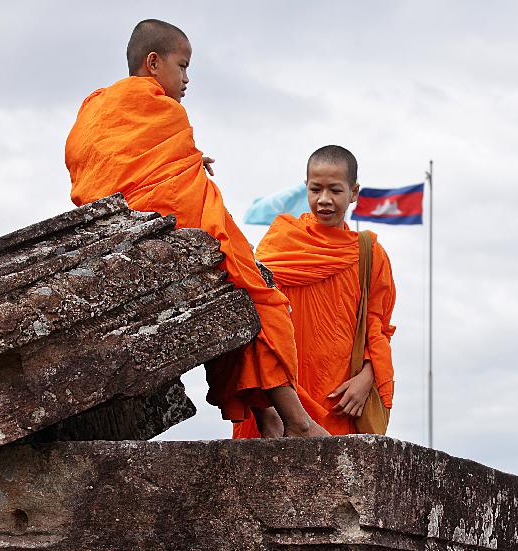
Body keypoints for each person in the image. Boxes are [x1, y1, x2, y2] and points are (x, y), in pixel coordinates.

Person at [64, 19, 328, 438]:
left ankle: (270, 417)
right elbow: (156, 182)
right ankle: (295, 420)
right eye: (182, 66)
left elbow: (106, 166)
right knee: (255, 286)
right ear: (153, 62)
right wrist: (189, 170)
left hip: (112, 228)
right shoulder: (163, 110)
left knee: (239, 284)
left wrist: (189, 166)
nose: (187, 79)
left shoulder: (95, 105)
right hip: (155, 226)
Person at [234, 145, 396, 437]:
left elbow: (378, 327)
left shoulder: (369, 253)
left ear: (354, 193)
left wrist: (366, 377)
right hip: (285, 391)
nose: (324, 200)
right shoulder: (282, 241)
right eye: (315, 189)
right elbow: (256, 311)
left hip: (341, 396)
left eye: (335, 190)